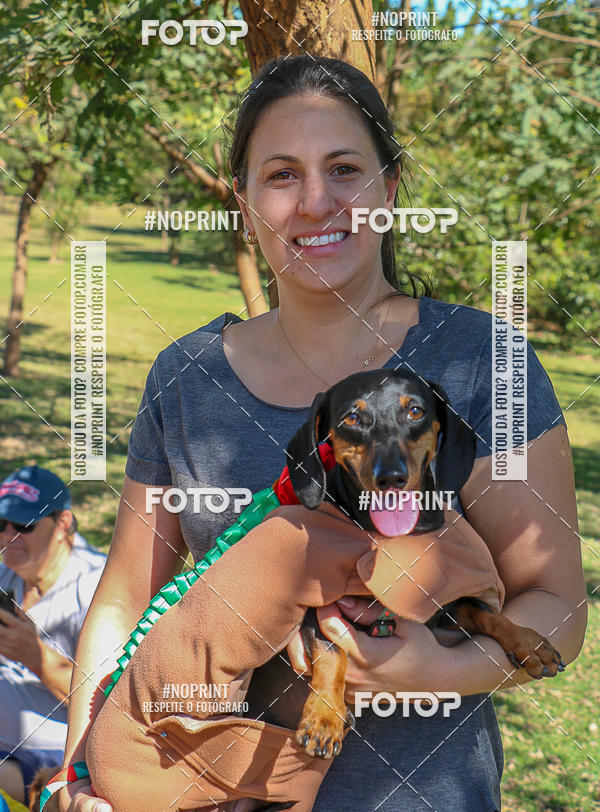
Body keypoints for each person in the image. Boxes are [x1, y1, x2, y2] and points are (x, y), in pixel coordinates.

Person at [59, 55, 587, 812]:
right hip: (196, 792)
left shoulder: (481, 361)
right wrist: (85, 772)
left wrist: (425, 670)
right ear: (243, 201)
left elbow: (558, 605)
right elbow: (122, 603)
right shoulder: (187, 377)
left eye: (344, 168)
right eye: (281, 176)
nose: (315, 202)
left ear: (391, 188)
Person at [0, 466, 106, 807]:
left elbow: (114, 702)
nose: (8, 537)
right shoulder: (7, 570)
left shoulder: (97, 588)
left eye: (24, 526)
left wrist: (36, 657)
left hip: (57, 764)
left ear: (63, 523)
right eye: (1, 525)